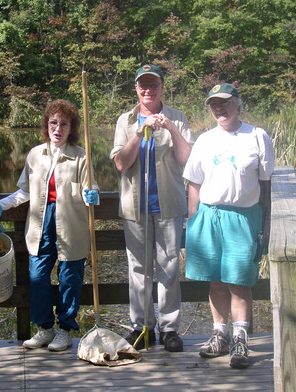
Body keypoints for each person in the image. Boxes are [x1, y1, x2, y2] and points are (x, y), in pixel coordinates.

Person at [0, 99, 100, 352]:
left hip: (71, 225)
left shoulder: (81, 156)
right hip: (40, 224)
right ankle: (44, 329)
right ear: (46, 125)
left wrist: (92, 195)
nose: (57, 128)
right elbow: (24, 192)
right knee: (37, 278)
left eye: (64, 124)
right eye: (53, 123)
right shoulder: (35, 155)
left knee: (69, 278)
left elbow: (89, 191)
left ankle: (65, 330)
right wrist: (0, 205)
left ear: (72, 128)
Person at [183, 83, 275, 369]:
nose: (219, 108)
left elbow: (266, 186)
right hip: (209, 216)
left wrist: (266, 226)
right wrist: (193, 220)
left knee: (240, 281)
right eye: (213, 104)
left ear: (238, 104)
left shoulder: (257, 137)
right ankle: (220, 334)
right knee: (216, 280)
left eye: (224, 103)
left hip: (243, 217)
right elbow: (194, 183)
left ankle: (240, 339)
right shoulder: (205, 140)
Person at [109, 64, 193, 352]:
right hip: (136, 209)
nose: (148, 90)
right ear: (136, 88)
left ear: (161, 87)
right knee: (139, 269)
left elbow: (187, 160)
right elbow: (121, 163)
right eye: (142, 85)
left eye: (153, 84)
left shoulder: (178, 118)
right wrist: (138, 133)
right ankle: (142, 326)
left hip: (169, 206)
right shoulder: (125, 121)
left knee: (169, 268)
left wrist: (169, 127)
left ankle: (169, 329)